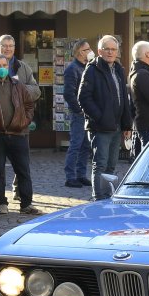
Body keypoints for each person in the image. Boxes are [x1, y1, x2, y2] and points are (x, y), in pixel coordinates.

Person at [0, 51, 40, 215]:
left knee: (23, 170)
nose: (1, 68)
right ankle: (1, 203)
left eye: (4, 65)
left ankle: (26, 204)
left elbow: (29, 104)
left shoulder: (18, 85)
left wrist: (25, 121)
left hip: (18, 133)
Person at [77, 35, 133, 198]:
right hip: (100, 127)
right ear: (99, 51)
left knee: (111, 165)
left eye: (113, 49)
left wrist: (127, 124)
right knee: (100, 164)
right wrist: (100, 117)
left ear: (117, 52)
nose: (110, 52)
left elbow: (124, 98)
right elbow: (83, 98)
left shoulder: (119, 69)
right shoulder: (92, 69)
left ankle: (108, 197)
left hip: (117, 126)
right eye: (107, 49)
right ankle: (99, 198)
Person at [61, 39, 91, 187]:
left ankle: (81, 174)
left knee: (86, 145)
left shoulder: (87, 67)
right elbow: (68, 93)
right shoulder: (72, 69)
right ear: (80, 51)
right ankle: (70, 176)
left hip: (88, 113)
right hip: (79, 114)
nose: (90, 52)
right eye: (87, 49)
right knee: (76, 144)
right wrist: (79, 110)